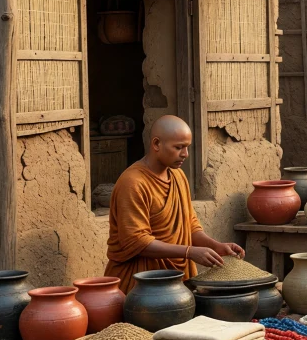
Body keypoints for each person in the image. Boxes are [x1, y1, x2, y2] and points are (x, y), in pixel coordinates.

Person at [104, 115, 243, 292]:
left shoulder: (178, 177)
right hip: (142, 285)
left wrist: (214, 245)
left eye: (187, 147)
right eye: (178, 148)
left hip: (179, 281)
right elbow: (136, 241)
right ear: (156, 144)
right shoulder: (132, 183)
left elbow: (189, 226)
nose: (185, 154)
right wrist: (188, 252)